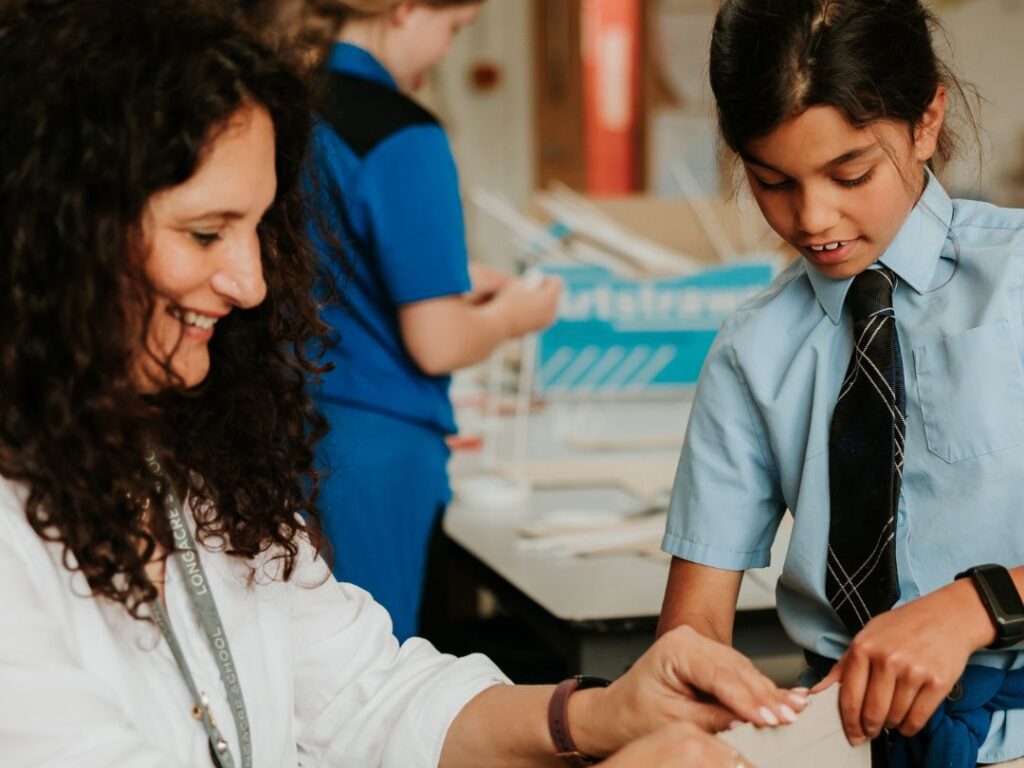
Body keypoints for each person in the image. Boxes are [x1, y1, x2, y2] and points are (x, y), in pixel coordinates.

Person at [0, 1, 803, 766]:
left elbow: (367, 697)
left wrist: (598, 715)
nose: (250, 283)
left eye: (258, 229)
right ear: (54, 230)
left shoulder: (197, 468)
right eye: (206, 232)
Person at [657, 0, 1024, 765]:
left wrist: (976, 607)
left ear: (927, 122)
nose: (813, 217)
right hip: (839, 739)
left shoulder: (1018, 283)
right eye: (772, 182)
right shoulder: (752, 350)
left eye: (849, 173)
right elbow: (691, 632)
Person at [267, 0, 564, 642]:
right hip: (371, 451)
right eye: (453, 29)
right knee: (372, 672)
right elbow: (438, 341)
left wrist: (447, 281)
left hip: (280, 423)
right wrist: (516, 314)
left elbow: (329, 270)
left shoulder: (282, 110)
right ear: (406, 11)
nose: (448, 51)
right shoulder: (404, 134)